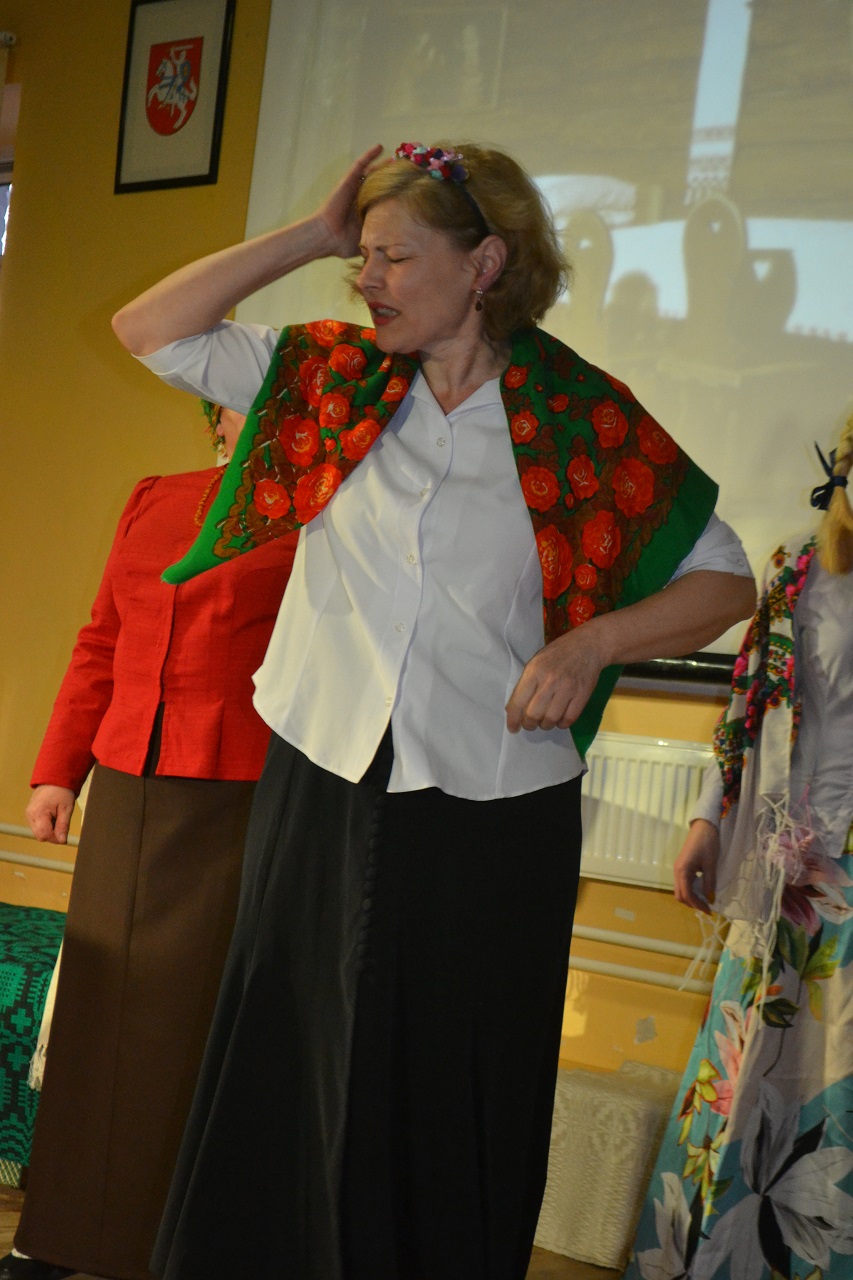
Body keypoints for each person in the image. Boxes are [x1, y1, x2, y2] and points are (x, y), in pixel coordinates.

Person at [111, 140, 756, 1280]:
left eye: (395, 256)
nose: (368, 279)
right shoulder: (329, 376)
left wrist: (593, 642)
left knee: (456, 1074)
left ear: (485, 263)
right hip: (324, 771)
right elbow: (148, 328)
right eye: (361, 256)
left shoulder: (579, 417)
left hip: (492, 801)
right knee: (291, 1055)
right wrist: (311, 236)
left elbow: (725, 582)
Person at [1, 407, 298, 1280]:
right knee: (96, 1014)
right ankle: (53, 1236)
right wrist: (58, 771)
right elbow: (102, 638)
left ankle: (169, 1245)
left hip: (240, 795)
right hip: (128, 786)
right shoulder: (154, 497)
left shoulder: (319, 516)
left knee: (183, 1029)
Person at [625, 416, 853, 1280]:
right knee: (754, 1073)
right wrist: (707, 821)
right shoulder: (797, 569)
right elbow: (746, 710)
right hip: (792, 875)